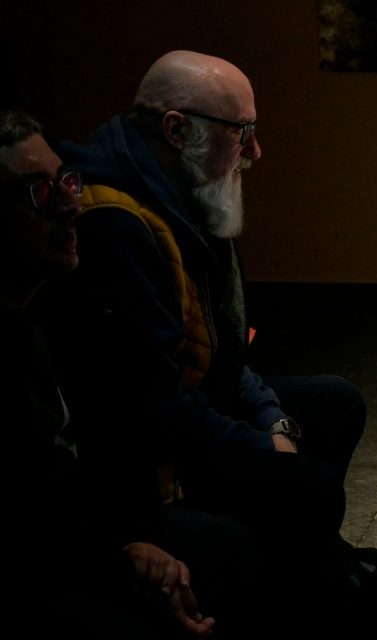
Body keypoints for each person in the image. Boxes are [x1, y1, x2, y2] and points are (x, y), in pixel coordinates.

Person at [40, 52, 377, 637]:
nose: (255, 151)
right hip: (157, 449)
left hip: (195, 401)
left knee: (334, 402)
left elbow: (223, 349)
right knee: (306, 487)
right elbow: (153, 403)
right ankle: (309, 578)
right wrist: (260, 447)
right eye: (242, 132)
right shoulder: (118, 224)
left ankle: (311, 555)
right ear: (176, 130)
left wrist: (272, 422)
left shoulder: (184, 194)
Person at [2, 109, 262, 638]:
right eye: (39, 191)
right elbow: (32, 515)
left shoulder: (47, 308)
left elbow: (223, 353)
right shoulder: (120, 232)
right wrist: (125, 552)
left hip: (100, 520)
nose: (70, 203)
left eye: (66, 181)